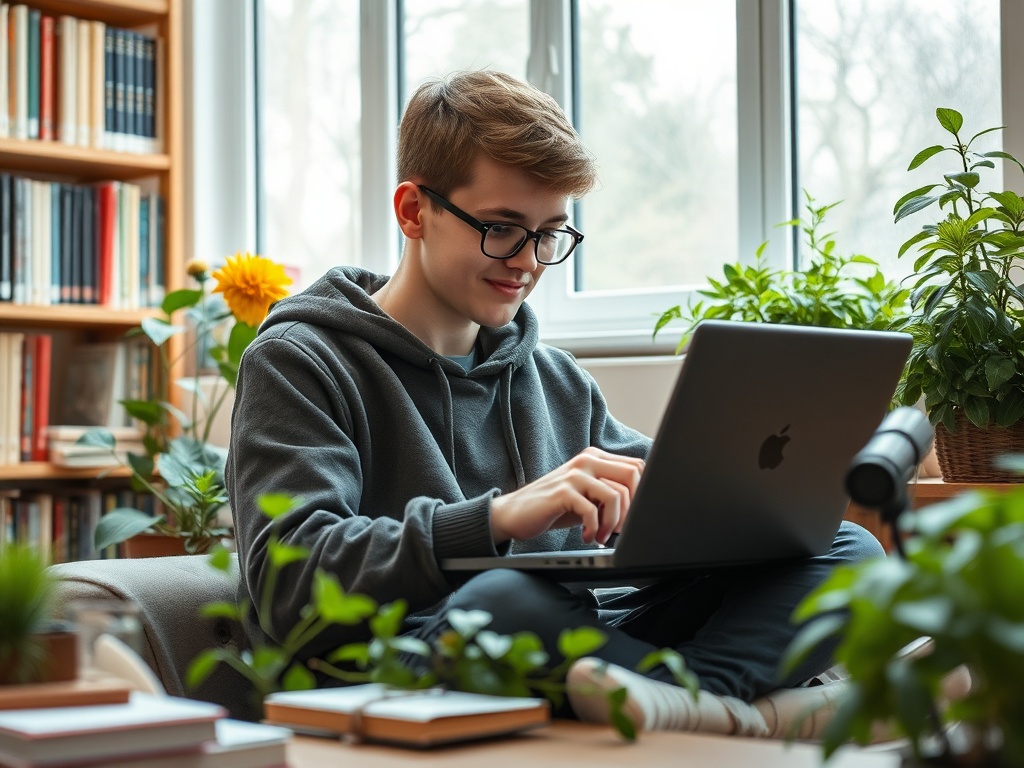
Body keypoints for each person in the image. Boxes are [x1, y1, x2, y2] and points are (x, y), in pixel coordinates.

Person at [226, 69, 883, 736]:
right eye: (503, 228)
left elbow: (665, 502)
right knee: (508, 599)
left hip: (577, 644)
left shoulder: (554, 379)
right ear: (413, 210)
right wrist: (497, 518)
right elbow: (292, 577)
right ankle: (748, 707)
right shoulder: (301, 361)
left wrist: (722, 507)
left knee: (846, 550)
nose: (527, 261)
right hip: (401, 657)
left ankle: (705, 705)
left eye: (550, 234)